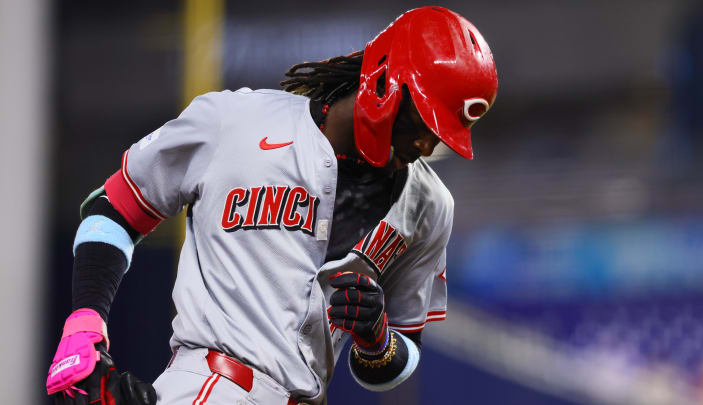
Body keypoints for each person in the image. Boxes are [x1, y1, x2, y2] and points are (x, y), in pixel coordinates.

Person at [46, 6, 497, 405]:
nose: (426, 141)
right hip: (215, 385)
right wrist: (85, 322)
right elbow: (115, 208)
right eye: (423, 119)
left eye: (441, 133)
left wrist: (377, 339)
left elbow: (399, 359)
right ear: (383, 80)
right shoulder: (236, 122)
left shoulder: (430, 204)